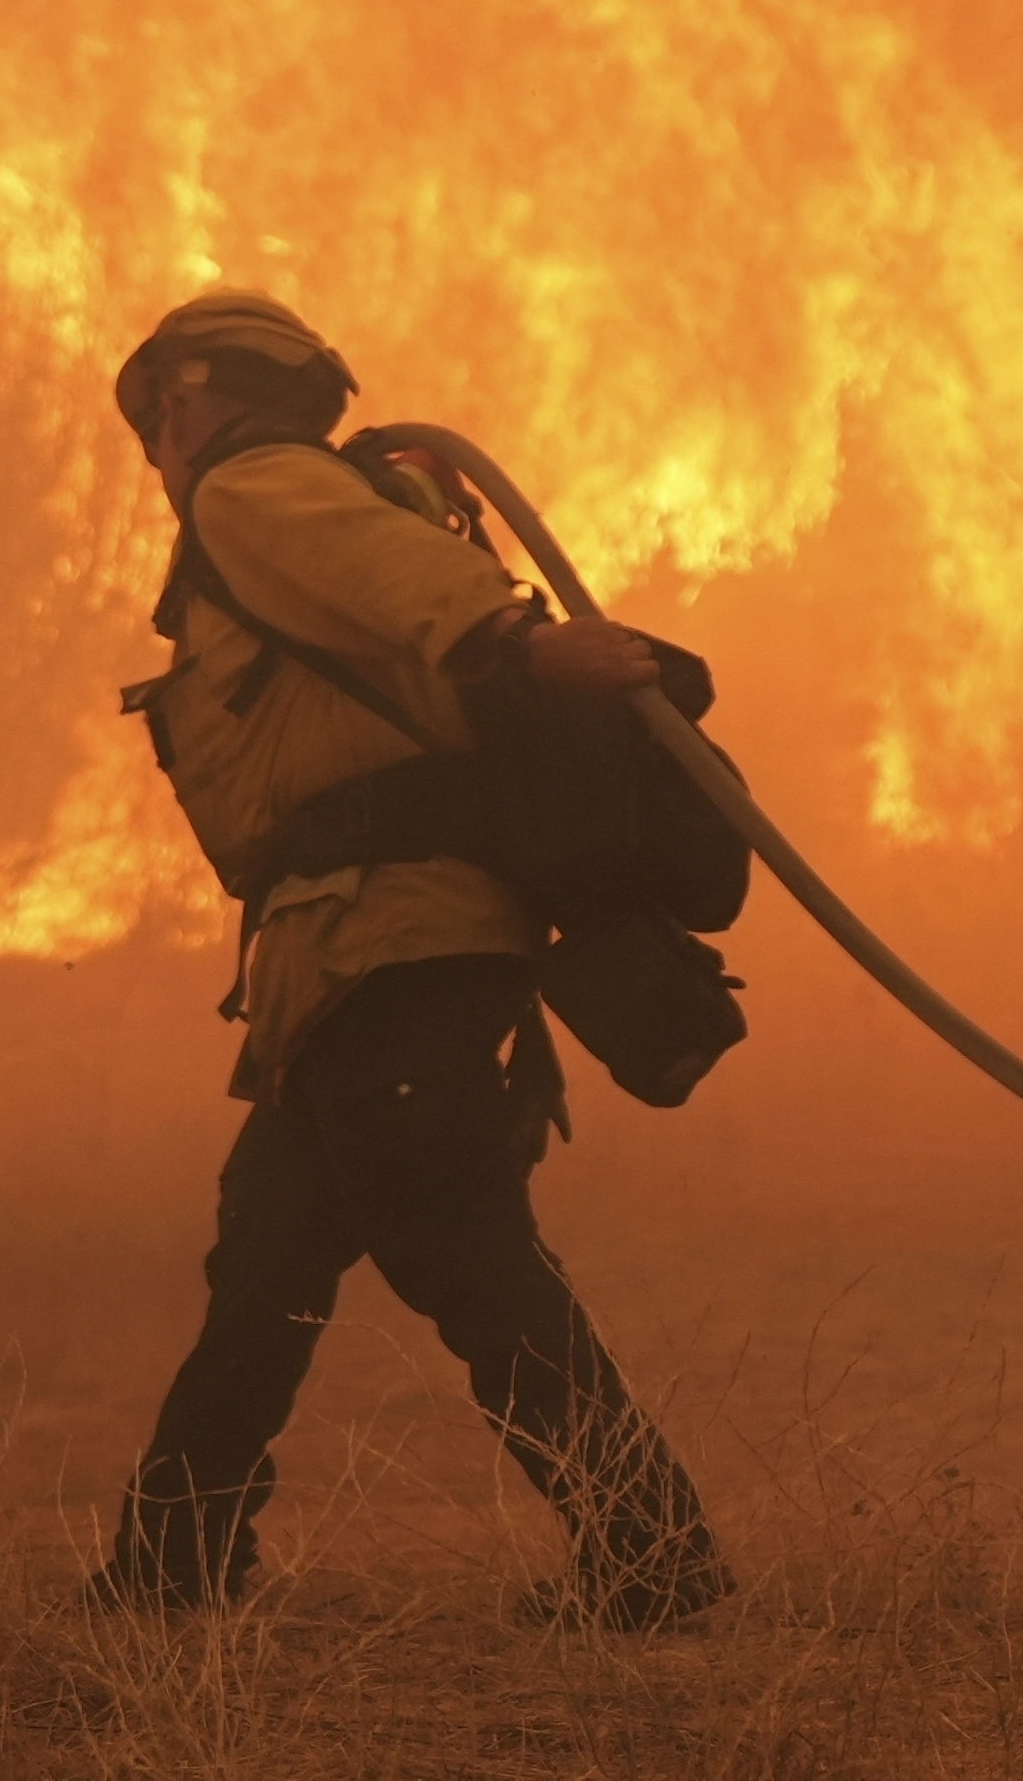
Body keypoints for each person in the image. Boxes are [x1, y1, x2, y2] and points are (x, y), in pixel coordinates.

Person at [92, 287, 730, 1629]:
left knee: (465, 1251)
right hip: (341, 960)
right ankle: (164, 1576)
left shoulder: (255, 490)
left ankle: (655, 1561)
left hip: (390, 942)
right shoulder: (322, 503)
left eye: (159, 416)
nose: (158, 446)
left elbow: (405, 583)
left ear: (193, 395)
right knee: (264, 1268)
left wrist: (518, 642)